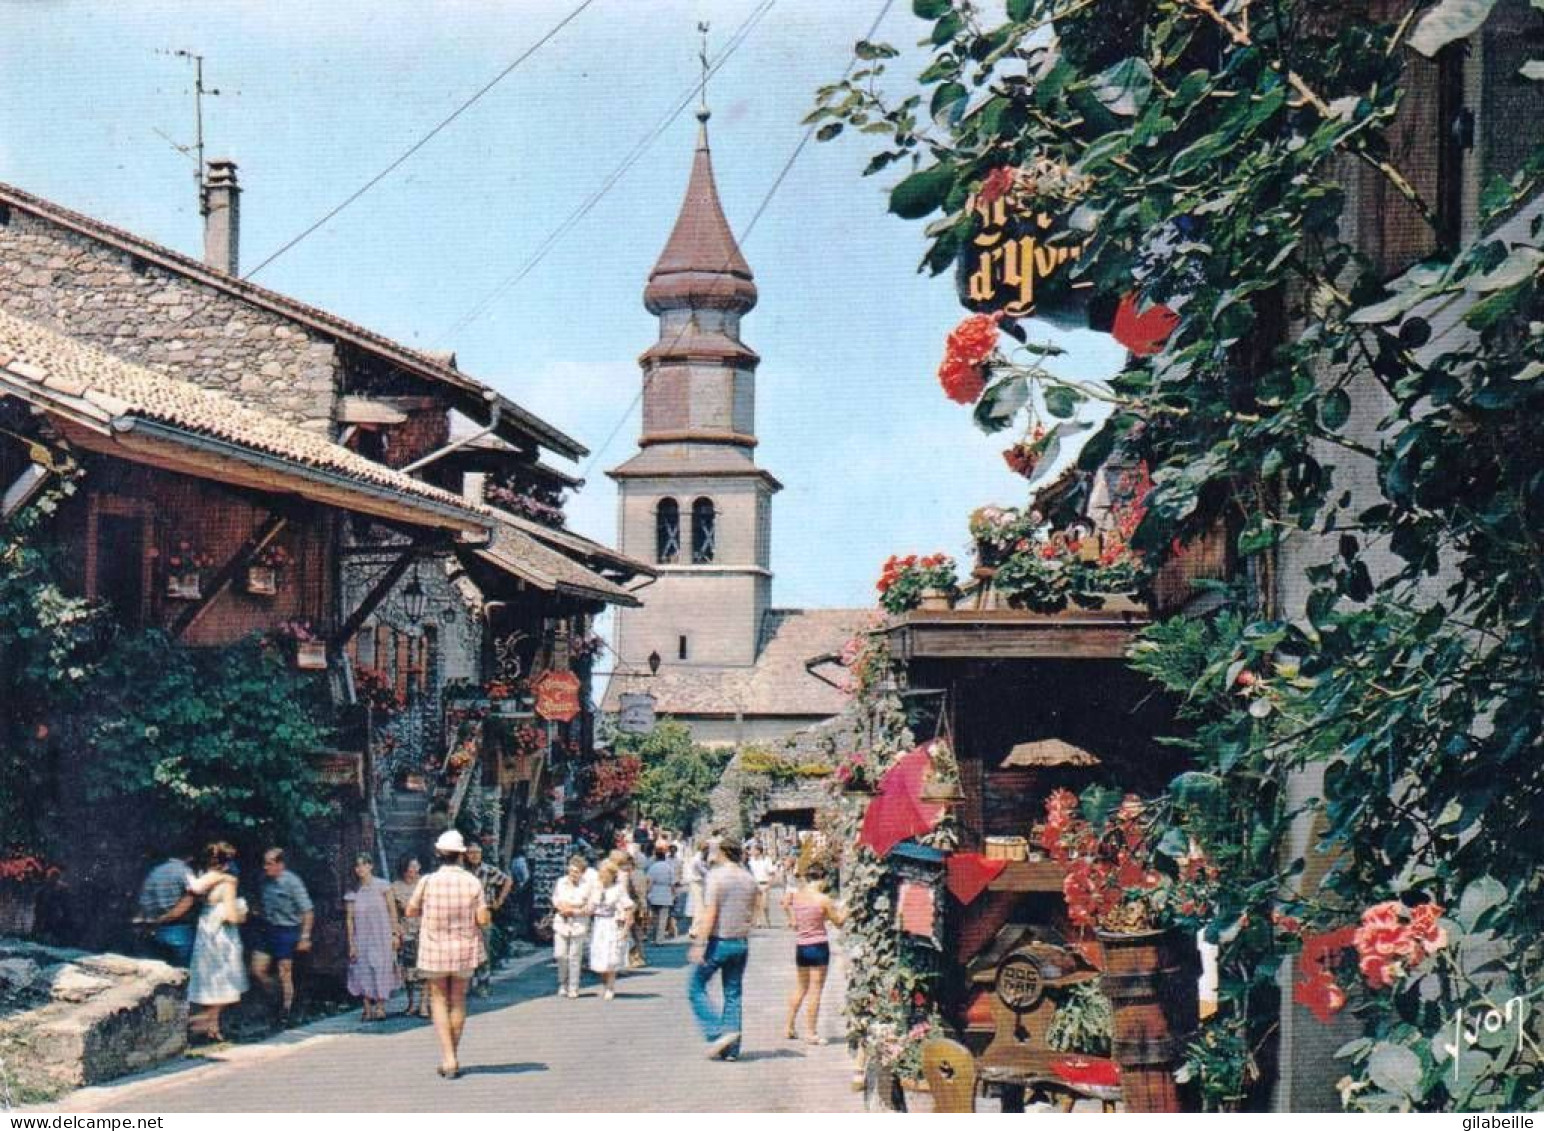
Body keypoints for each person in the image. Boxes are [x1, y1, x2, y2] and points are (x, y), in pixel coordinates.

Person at [405, 829, 489, 1079]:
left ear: (439, 853)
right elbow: (483, 918)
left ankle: (448, 1057)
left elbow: (410, 911)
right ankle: (452, 1055)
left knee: (439, 999)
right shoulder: (472, 882)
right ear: (461, 855)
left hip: (434, 948)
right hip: (464, 948)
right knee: (459, 1000)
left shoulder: (427, 881)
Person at [688, 835, 758, 1060]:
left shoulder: (716, 877)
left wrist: (700, 942)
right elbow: (756, 906)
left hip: (719, 941)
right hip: (740, 942)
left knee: (695, 986)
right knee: (733, 993)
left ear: (723, 852)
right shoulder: (748, 878)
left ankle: (716, 1032)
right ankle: (732, 1049)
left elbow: (711, 912)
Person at [186, 842, 248, 1042]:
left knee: (210, 980)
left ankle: (212, 1028)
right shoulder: (227, 883)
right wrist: (243, 914)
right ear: (226, 862)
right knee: (226, 981)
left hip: (205, 932)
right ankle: (203, 1022)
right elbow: (230, 916)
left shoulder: (204, 879)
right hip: (222, 936)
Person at [782, 863, 847, 1043]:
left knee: (801, 987)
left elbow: (786, 905)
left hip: (801, 946)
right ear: (822, 878)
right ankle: (810, 1032)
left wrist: (792, 919)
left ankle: (788, 1026)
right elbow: (839, 921)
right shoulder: (823, 900)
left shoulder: (798, 897)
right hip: (818, 946)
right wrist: (849, 907)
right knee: (816, 990)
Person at [250, 847, 314, 1023]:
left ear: (280, 865)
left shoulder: (292, 882)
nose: (265, 867)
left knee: (284, 972)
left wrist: (305, 937)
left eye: (269, 863)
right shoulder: (264, 880)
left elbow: (307, 911)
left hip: (287, 930)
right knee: (257, 970)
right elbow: (260, 901)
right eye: (264, 863)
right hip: (268, 928)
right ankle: (277, 995)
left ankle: (285, 1012)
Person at [345, 853, 402, 1022]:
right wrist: (351, 944)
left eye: (363, 865)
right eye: (357, 866)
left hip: (381, 935)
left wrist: (394, 934)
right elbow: (349, 919)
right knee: (362, 969)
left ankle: (380, 1006)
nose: (360, 869)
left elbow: (393, 911)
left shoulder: (383, 886)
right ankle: (366, 1007)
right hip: (362, 936)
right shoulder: (353, 892)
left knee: (381, 967)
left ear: (370, 866)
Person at [464, 841, 512, 996]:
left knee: (484, 948)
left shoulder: (488, 870)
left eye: (477, 852)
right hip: (465, 915)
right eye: (471, 852)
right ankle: (468, 983)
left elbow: (507, 881)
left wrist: (500, 900)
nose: (474, 856)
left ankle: (483, 983)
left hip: (484, 913)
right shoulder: (462, 872)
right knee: (466, 949)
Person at [133, 851, 196, 966]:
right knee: (183, 972)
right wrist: (168, 917)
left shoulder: (155, 871)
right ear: (190, 857)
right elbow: (189, 898)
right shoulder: (185, 871)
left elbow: (144, 900)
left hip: (157, 930)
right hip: (179, 928)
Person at [587, 859, 634, 1001]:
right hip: (598, 923)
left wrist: (626, 927)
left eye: (604, 874)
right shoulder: (596, 887)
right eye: (600, 874)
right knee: (599, 957)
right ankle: (604, 982)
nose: (602, 877)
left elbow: (629, 907)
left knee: (610, 956)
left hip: (611, 923)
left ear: (611, 875)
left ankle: (610, 987)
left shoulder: (618, 889)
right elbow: (590, 907)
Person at [390, 856, 430, 1018]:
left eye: (415, 866)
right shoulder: (395, 887)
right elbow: (393, 911)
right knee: (409, 970)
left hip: (426, 930)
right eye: (409, 867)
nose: (412, 871)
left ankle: (423, 1004)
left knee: (426, 969)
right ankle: (411, 1003)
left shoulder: (426, 884)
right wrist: (396, 930)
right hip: (406, 931)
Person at [550, 853, 594, 998]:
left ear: (582, 872)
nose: (573, 874)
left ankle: (573, 986)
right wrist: (561, 907)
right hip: (561, 921)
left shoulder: (587, 886)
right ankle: (562, 982)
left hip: (578, 922)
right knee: (560, 954)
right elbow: (555, 898)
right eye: (571, 871)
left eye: (576, 872)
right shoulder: (561, 882)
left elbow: (590, 906)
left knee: (575, 956)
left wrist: (575, 910)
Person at [620, 854, 649, 968]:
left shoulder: (632, 875)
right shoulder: (640, 873)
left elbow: (638, 892)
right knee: (637, 933)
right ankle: (639, 956)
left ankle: (635, 957)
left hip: (633, 906)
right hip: (639, 905)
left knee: (632, 932)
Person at [645, 845, 677, 944]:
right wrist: (674, 895)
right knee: (663, 918)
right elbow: (672, 883)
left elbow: (649, 882)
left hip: (655, 892)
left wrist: (647, 893)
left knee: (655, 917)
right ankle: (660, 939)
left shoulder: (652, 867)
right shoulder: (669, 867)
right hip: (666, 892)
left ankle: (654, 938)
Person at [748, 843, 776, 928]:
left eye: (753, 850)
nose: (751, 851)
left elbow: (772, 873)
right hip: (754, 884)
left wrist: (769, 885)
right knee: (756, 904)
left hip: (764, 884)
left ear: (758, 851)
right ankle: (758, 922)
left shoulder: (766, 860)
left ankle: (767, 920)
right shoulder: (750, 861)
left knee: (764, 905)